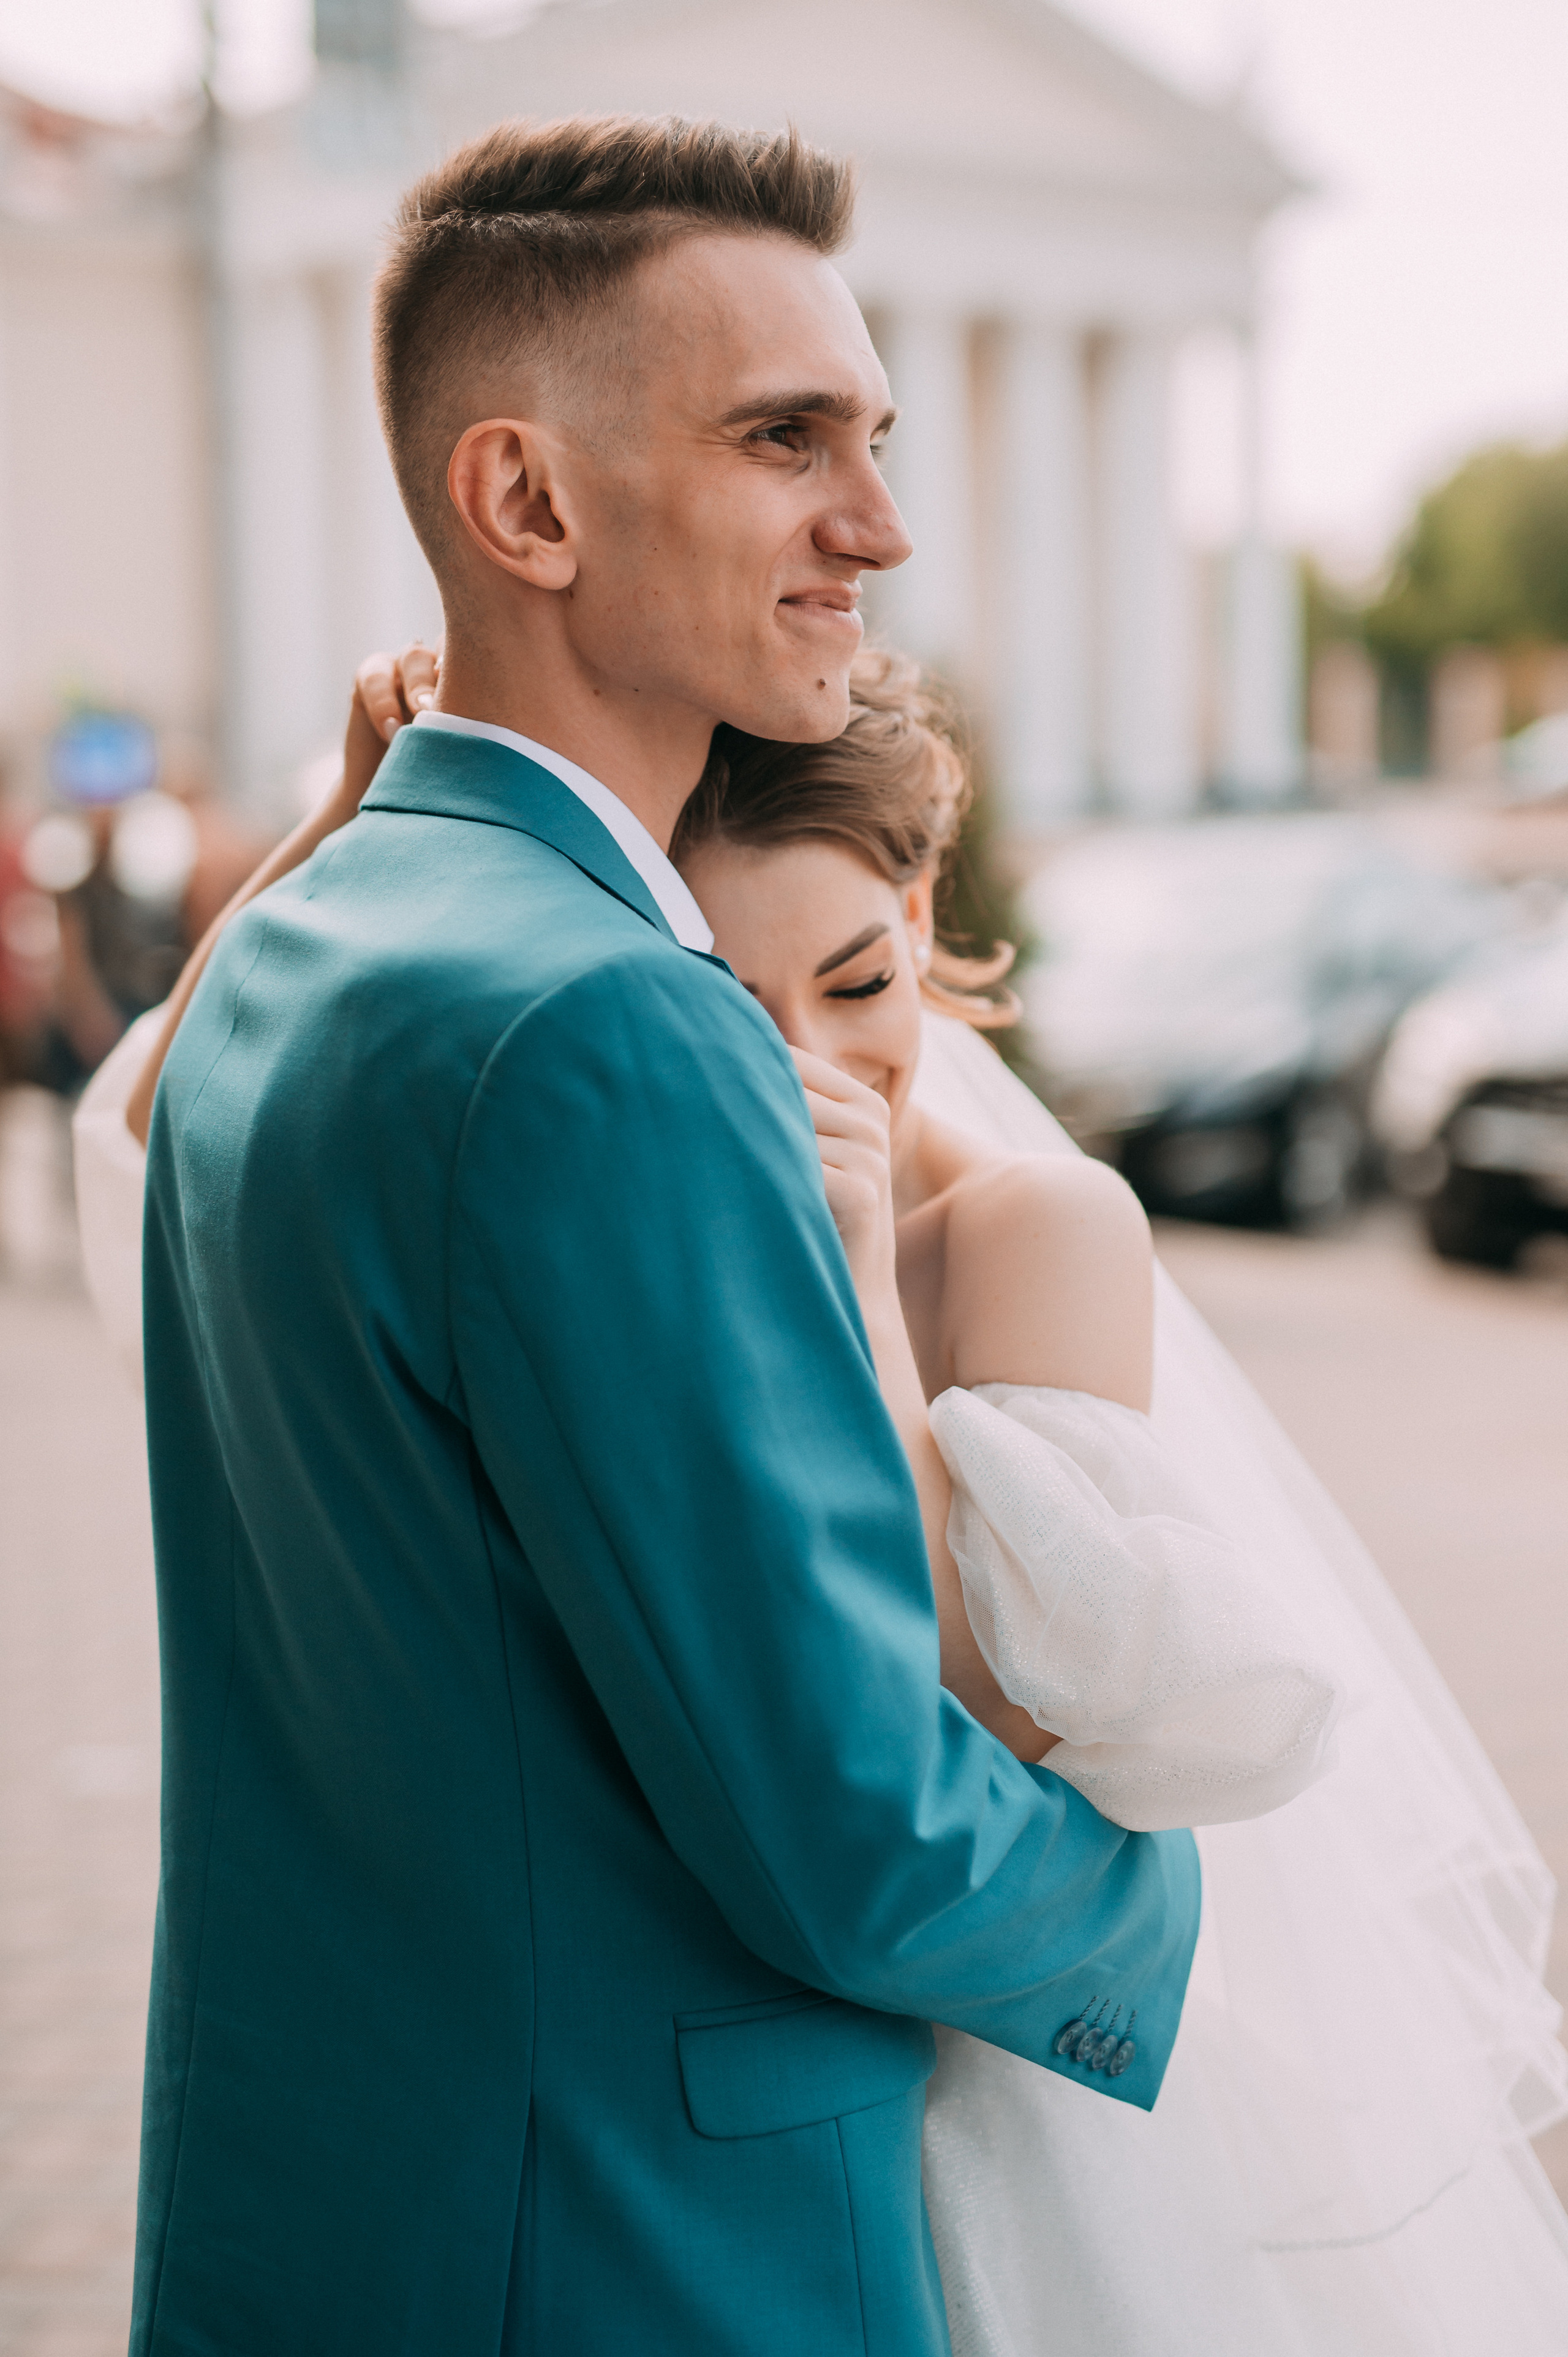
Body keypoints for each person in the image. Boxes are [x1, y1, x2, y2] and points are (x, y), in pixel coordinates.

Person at [80, 636, 1568, 2353]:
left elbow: (995, 1689)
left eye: (860, 986)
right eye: (737, 1004)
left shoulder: (1036, 1227)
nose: (810, 1069)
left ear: (927, 916)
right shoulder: (621, 1171)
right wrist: (354, 822)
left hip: (969, 2066)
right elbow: (154, 1136)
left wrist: (856, 1293)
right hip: (701, 2095)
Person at [100, 116, 1206, 2357]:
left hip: (312, 2212)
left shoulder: (293, 943)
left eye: (873, 439)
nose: (878, 526)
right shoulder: (615, 1020)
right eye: (786, 441)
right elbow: (849, 1829)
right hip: (622, 2256)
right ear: (526, 504)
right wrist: (1172, 1922)